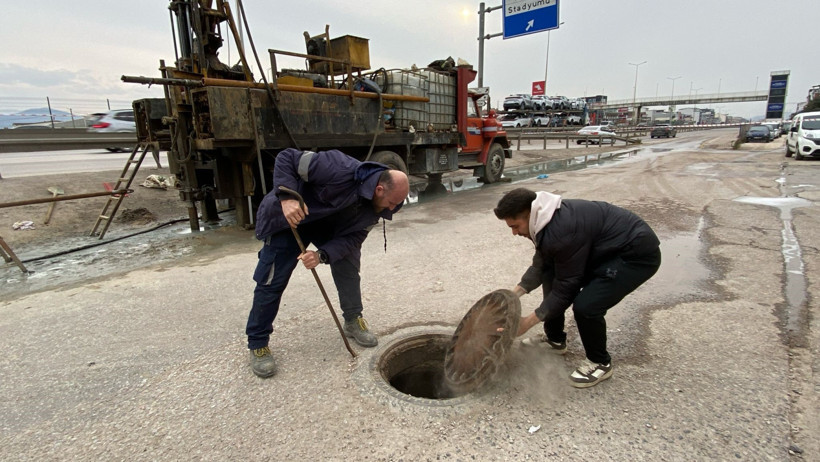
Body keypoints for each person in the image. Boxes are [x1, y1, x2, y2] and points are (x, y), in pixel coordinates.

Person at [246, 148, 410, 378]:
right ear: (379, 189)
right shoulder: (337, 166)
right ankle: (257, 342)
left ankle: (353, 320)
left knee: (349, 264)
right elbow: (287, 158)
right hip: (292, 220)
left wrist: (322, 255)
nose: (392, 209)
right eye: (392, 203)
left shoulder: (381, 206)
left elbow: (352, 239)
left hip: (330, 227)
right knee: (271, 279)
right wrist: (287, 198)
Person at [494, 188, 661, 388]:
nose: (514, 233)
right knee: (551, 275)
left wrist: (527, 323)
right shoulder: (544, 220)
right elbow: (542, 265)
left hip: (635, 256)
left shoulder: (562, 230)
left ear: (528, 214)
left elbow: (566, 288)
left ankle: (600, 362)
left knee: (587, 306)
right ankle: (555, 340)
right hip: (605, 250)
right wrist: (512, 296)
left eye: (515, 226)